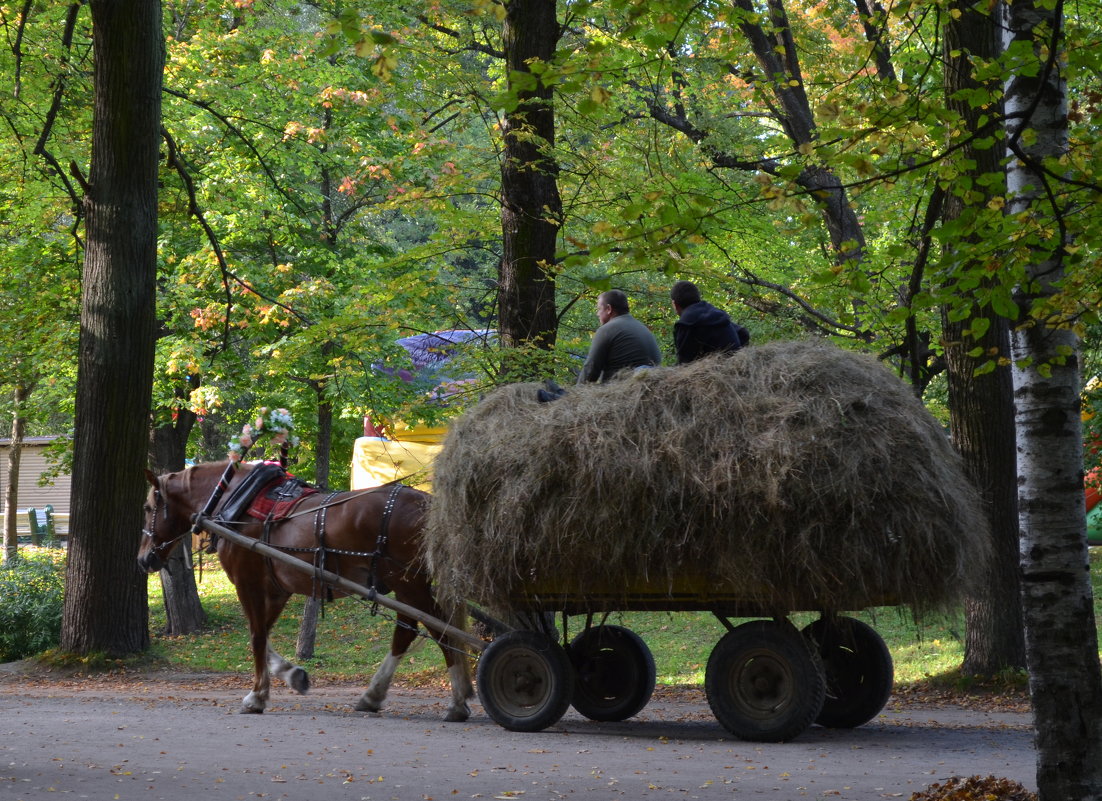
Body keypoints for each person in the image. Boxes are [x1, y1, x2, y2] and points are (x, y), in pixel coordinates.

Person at [576, 289, 662, 384]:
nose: (597, 314)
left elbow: (590, 371)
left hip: (620, 392)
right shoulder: (643, 328)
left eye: (599, 309)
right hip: (650, 389)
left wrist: (574, 397)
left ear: (609, 309)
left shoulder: (607, 330)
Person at [670, 280, 749, 364]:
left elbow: (684, 363)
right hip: (737, 367)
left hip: (716, 373)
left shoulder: (686, 324)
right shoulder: (715, 313)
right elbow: (743, 333)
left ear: (675, 304)